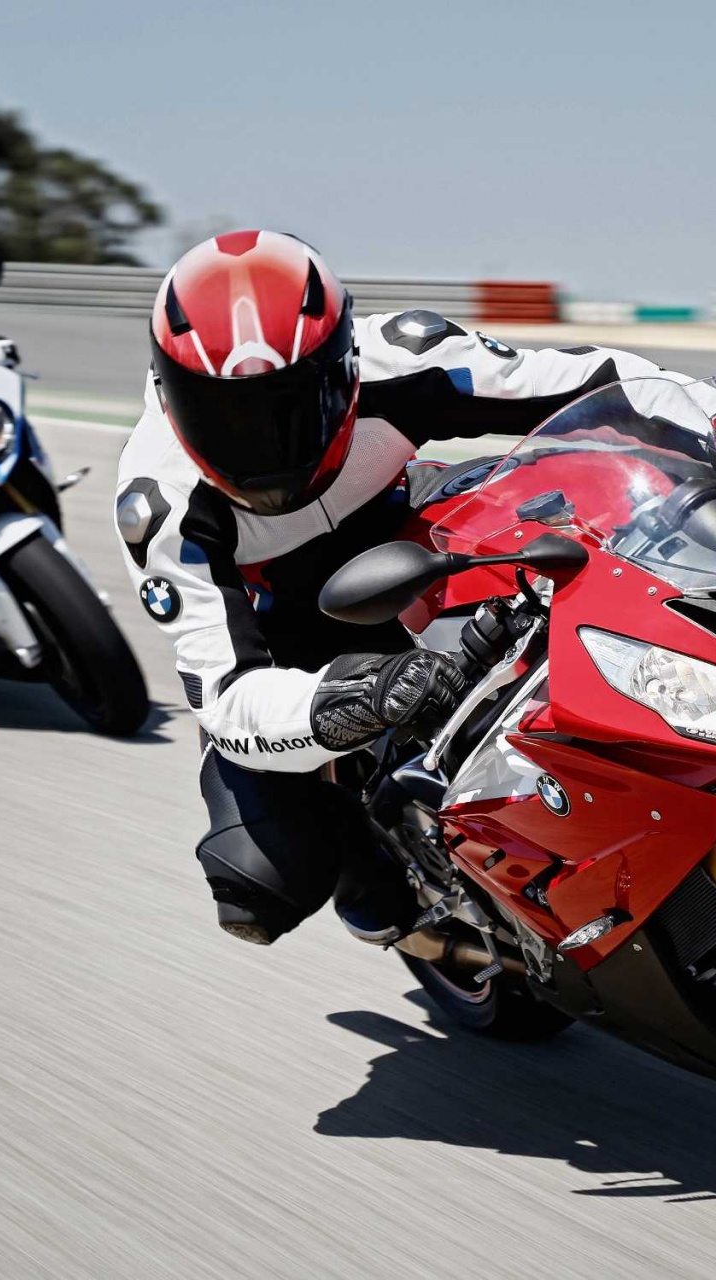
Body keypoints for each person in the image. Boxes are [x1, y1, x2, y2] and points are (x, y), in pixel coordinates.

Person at [115, 228, 706, 947]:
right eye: (225, 416)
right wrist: (350, 703)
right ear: (170, 395)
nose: (261, 445)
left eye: (291, 409)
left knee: (594, 484)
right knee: (267, 877)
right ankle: (388, 881)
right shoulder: (160, 504)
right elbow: (228, 696)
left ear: (344, 368)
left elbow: (613, 384)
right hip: (282, 630)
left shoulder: (404, 357)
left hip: (410, 524)